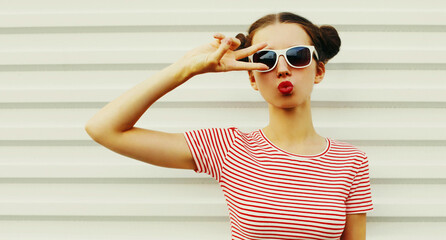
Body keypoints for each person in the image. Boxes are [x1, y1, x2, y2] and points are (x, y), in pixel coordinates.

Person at [85, 12, 373, 240]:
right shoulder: (228, 148)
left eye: (297, 56)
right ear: (251, 78)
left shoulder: (351, 162)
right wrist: (187, 67)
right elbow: (104, 129)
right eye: (266, 59)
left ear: (318, 70)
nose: (283, 69)